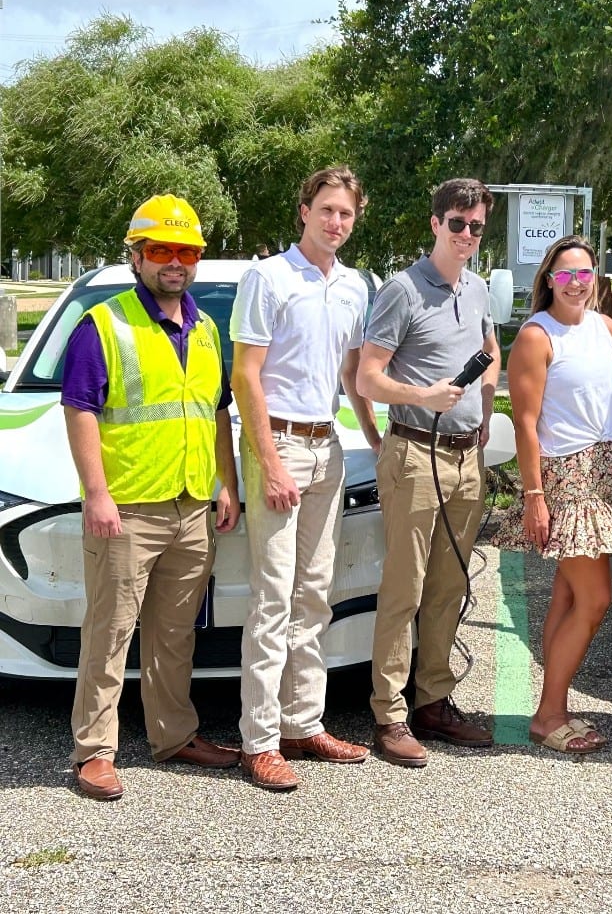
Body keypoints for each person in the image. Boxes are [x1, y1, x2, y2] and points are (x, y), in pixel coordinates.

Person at [62, 195, 241, 801]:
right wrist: (96, 494)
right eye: (161, 250)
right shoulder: (104, 325)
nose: (175, 262)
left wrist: (227, 485)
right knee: (109, 634)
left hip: (193, 506)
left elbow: (215, 412)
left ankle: (174, 736)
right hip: (128, 508)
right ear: (136, 257)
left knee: (174, 635)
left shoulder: (208, 327)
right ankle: (94, 752)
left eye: (186, 251)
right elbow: (80, 409)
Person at [230, 165, 380, 792]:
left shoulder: (355, 286)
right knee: (272, 598)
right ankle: (258, 741)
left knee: (314, 594)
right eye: (326, 211)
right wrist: (266, 462)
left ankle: (303, 723)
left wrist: (375, 438)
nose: (335, 223)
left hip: (329, 449)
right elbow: (245, 376)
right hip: (280, 447)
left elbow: (351, 376)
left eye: (345, 213)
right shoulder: (268, 278)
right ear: (304, 210)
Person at [357, 177, 501, 768]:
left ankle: (433, 701)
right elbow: (368, 377)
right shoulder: (402, 290)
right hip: (415, 453)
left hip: (467, 456)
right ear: (436, 223)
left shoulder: (481, 288)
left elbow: (490, 352)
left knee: (449, 587)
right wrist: (425, 394)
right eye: (458, 224)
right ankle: (389, 715)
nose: (467, 236)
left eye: (477, 228)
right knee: (404, 590)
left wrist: (485, 408)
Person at [497, 236, 612, 753]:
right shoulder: (538, 336)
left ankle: (551, 706)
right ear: (549, 281)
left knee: (569, 593)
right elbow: (525, 423)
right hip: (567, 478)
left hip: (606, 472)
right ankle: (549, 713)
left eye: (585, 274)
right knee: (597, 598)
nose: (577, 283)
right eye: (566, 274)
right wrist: (534, 494)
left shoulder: (604, 327)